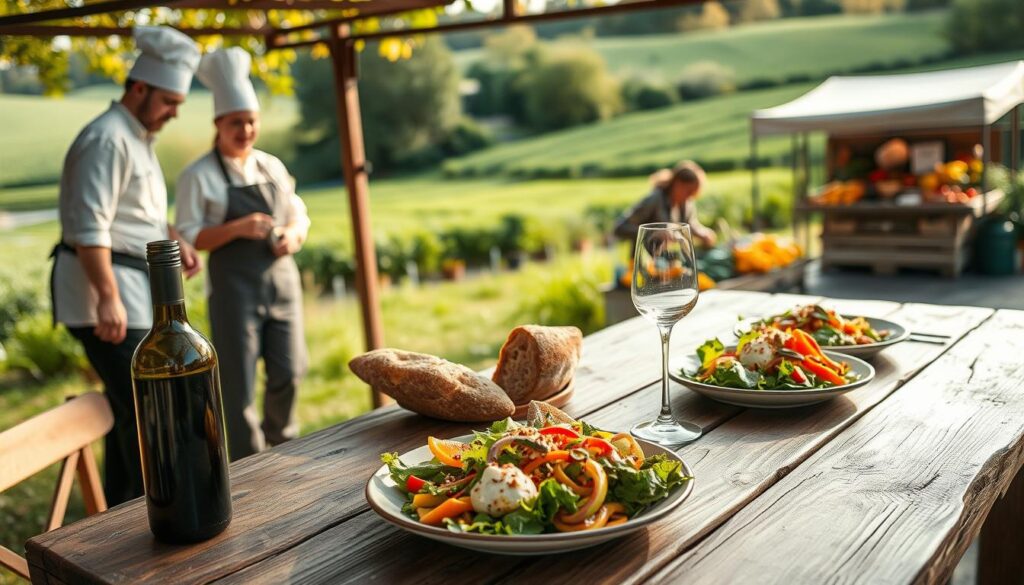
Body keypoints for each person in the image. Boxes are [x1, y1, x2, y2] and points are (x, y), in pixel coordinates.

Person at [51, 26, 203, 506]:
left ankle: (121, 509)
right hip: (105, 298)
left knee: (129, 413)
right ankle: (148, 507)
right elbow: (89, 226)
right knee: (148, 412)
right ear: (139, 88)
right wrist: (107, 296)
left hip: (134, 294)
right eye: (170, 100)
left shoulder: (137, 138)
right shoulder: (106, 139)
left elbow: (144, 218)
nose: (176, 111)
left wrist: (179, 241)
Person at [175, 47, 311, 461]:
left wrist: (292, 235)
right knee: (237, 385)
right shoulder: (197, 176)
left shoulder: (271, 166)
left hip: (283, 285)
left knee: (290, 371)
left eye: (251, 121)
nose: (246, 130)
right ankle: (251, 464)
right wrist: (236, 228)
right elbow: (189, 236)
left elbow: (298, 214)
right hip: (234, 293)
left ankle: (282, 447)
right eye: (237, 123)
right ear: (218, 124)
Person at [613, 160, 717, 248]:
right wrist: (654, 232)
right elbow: (620, 228)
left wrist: (703, 233)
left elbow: (690, 224)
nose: (690, 197)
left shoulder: (685, 203)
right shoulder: (654, 200)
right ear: (678, 184)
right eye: (689, 192)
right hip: (645, 261)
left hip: (667, 261)